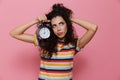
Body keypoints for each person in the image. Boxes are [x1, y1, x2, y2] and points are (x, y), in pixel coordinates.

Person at [10, 3, 98, 80]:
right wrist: (36, 21)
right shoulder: (44, 41)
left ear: (67, 24)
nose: (58, 29)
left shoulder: (74, 45)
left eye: (61, 24)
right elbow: (14, 33)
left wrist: (70, 19)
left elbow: (93, 28)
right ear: (51, 28)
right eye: (54, 26)